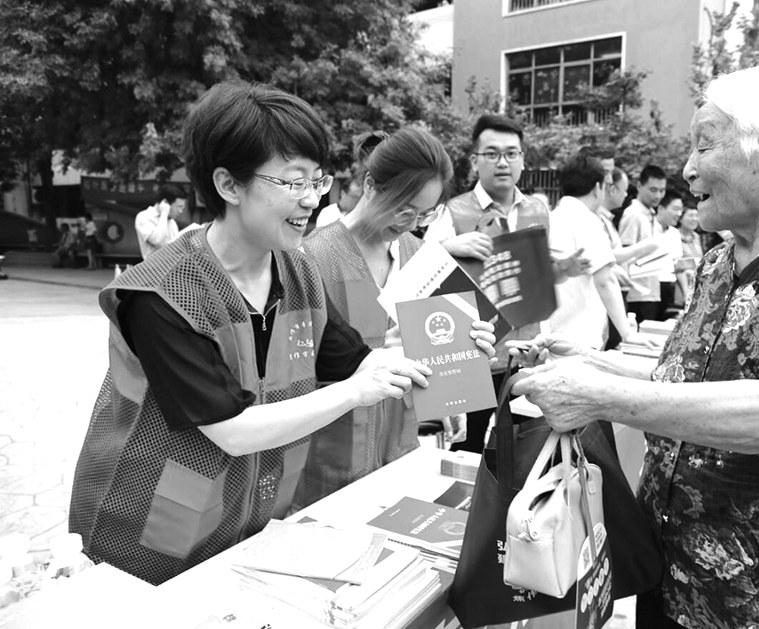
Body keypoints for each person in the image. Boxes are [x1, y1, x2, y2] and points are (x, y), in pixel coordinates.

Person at [67, 81, 495, 586]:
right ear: (229, 185)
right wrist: (355, 392)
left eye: (317, 180)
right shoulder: (163, 293)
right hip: (143, 539)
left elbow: (358, 359)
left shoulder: (298, 271)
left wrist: (449, 351)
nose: (312, 199)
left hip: (244, 529)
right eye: (294, 182)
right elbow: (231, 429)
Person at [511, 65, 759, 628]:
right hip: (670, 573)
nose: (688, 168)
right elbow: (685, 382)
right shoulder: (717, 262)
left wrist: (598, 397)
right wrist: (594, 363)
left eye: (704, 145)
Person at [298, 126, 464, 504]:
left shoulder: (419, 255)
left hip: (400, 453)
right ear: (371, 185)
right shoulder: (312, 259)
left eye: (424, 214)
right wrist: (370, 354)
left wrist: (453, 390)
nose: (410, 223)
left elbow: (437, 348)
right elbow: (294, 373)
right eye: (404, 208)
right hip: (330, 461)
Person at [424, 113, 582, 452]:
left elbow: (539, 278)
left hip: (526, 353)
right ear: (474, 161)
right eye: (492, 153)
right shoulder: (453, 212)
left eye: (511, 154)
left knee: (524, 445)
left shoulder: (537, 211)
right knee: (466, 447)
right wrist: (449, 247)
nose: (502, 162)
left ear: (522, 160)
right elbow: (420, 271)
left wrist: (564, 270)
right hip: (473, 353)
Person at [545, 153, 635, 350]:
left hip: (553, 331)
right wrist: (627, 333)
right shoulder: (587, 220)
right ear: (597, 188)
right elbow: (605, 280)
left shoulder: (552, 217)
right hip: (580, 335)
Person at [617, 164, 667, 323]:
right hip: (635, 294)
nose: (658, 195)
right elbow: (623, 255)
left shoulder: (652, 216)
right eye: (653, 190)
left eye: (662, 190)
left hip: (651, 292)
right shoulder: (633, 214)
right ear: (639, 186)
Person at [650, 189, 685, 320]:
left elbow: (678, 266)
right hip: (649, 288)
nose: (679, 214)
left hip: (669, 288)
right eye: (675, 209)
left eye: (681, 210)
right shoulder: (648, 228)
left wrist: (686, 293)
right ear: (661, 208)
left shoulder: (675, 234)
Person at [135, 183, 188, 259]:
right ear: (165, 203)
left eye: (182, 208)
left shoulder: (172, 222)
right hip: (154, 265)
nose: (180, 211)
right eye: (179, 207)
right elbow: (156, 240)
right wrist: (164, 213)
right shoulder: (144, 217)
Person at [674, 205, 703, 308]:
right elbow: (677, 266)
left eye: (696, 215)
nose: (694, 219)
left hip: (696, 285)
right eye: (690, 215)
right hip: (679, 286)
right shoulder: (674, 235)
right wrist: (686, 293)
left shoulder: (697, 237)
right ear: (681, 218)